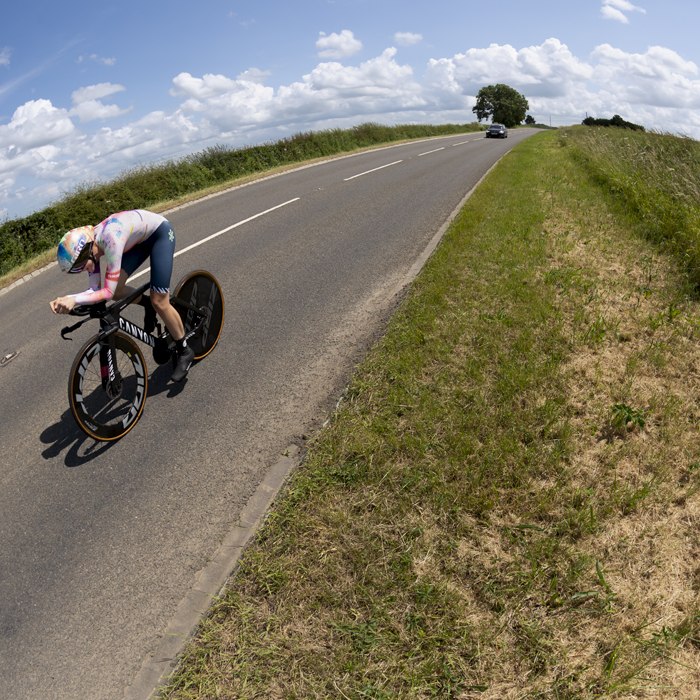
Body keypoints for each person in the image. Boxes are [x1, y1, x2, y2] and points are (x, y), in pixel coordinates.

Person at [49, 209, 195, 382]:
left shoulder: (110, 239)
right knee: (119, 290)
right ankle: (147, 304)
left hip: (159, 235)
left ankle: (185, 350)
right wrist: (68, 298)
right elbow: (95, 291)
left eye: (81, 266)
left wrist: (74, 299)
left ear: (87, 251)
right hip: (138, 240)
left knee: (160, 301)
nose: (84, 270)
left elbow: (106, 294)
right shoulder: (92, 247)